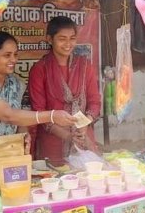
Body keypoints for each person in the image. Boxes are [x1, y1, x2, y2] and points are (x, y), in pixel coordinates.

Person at [0, 31, 75, 144]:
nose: (13, 60)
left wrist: (23, 135)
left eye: (15, 54)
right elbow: (7, 115)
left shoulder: (17, 84)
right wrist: (51, 116)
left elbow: (19, 117)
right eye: (7, 55)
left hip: (7, 151)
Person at [28, 16, 101, 165]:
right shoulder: (40, 69)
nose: (68, 44)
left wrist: (85, 124)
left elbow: (95, 102)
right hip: (53, 143)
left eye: (72, 38)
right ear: (50, 39)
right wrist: (67, 136)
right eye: (62, 39)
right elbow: (39, 112)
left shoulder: (85, 65)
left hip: (84, 137)